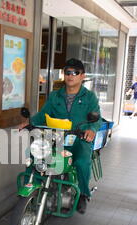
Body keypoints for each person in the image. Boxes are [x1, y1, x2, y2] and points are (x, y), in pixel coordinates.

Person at [19, 58, 102, 213]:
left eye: (75, 72)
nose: (70, 75)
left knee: (83, 161)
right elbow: (44, 115)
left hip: (79, 139)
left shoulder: (90, 97)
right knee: (33, 155)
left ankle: (84, 193)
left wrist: (91, 129)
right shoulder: (55, 96)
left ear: (82, 76)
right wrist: (29, 122)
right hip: (56, 137)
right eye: (67, 72)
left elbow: (97, 118)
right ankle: (32, 188)